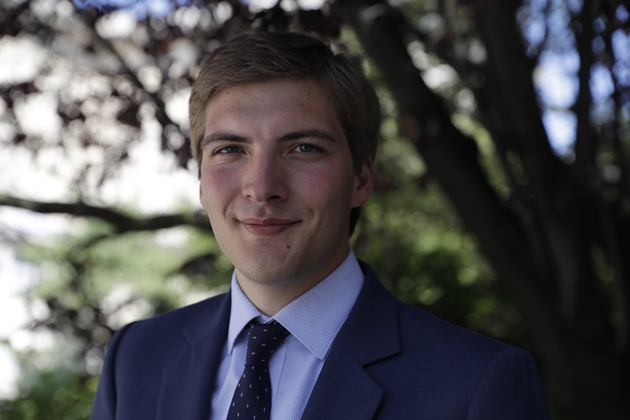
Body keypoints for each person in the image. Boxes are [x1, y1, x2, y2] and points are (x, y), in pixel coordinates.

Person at [90, 32, 549, 420]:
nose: (262, 187)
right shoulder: (136, 357)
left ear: (361, 179)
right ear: (201, 181)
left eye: (303, 148)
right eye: (230, 149)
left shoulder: (477, 385)